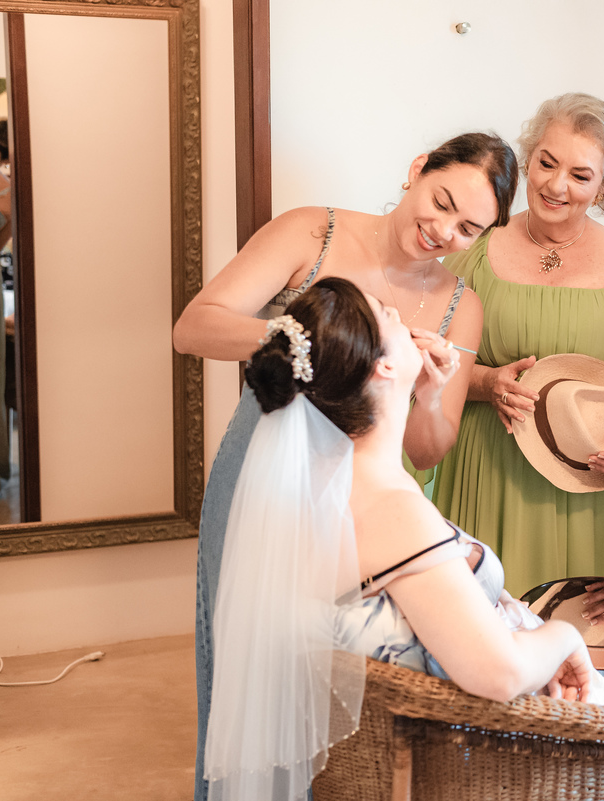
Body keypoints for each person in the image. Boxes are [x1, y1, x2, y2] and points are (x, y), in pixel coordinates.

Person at [206, 275, 604, 801]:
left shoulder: (329, 495)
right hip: (511, 736)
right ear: (383, 366)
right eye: (392, 317)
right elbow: (497, 671)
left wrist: (427, 392)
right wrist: (566, 638)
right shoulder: (394, 511)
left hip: (485, 708)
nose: (410, 320)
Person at [173, 132, 519, 801]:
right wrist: (323, 344)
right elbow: (194, 326)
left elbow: (428, 449)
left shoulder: (461, 305)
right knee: (243, 657)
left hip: (362, 505)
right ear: (417, 169)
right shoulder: (313, 232)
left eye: (467, 228)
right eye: (442, 201)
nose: (443, 231)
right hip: (263, 477)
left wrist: (426, 394)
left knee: (335, 684)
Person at [432, 94, 604, 597]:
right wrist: (485, 382)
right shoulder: (474, 250)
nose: (555, 185)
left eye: (580, 175)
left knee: (574, 630)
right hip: (487, 467)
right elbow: (426, 357)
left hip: (586, 481)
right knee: (478, 623)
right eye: (546, 163)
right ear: (528, 157)